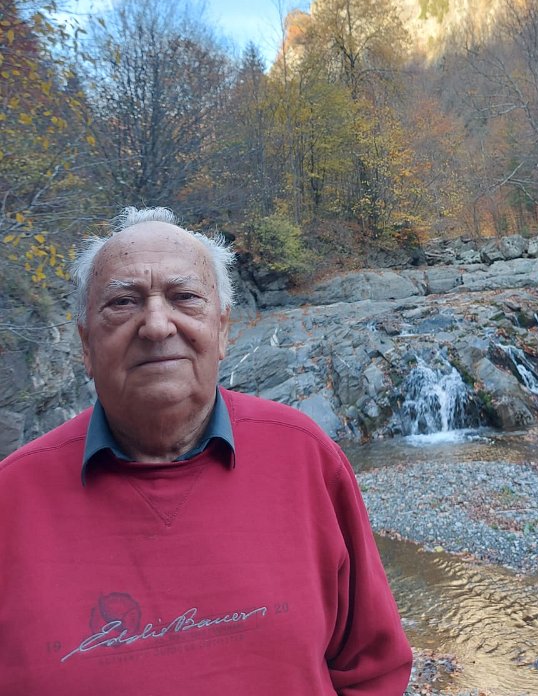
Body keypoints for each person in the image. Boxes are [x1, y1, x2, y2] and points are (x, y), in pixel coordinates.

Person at [0, 207, 412, 695]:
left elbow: (374, 669)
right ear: (86, 345)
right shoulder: (11, 499)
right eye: (123, 302)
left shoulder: (306, 457)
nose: (157, 325)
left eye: (185, 297)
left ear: (222, 329)